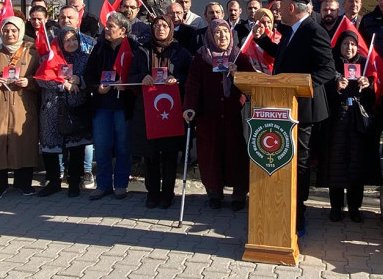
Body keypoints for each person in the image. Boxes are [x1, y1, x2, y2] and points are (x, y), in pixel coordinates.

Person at [253, 0, 335, 235]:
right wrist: (263, 41)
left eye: (280, 6)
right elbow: (285, 57)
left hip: (303, 108)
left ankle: (298, 214)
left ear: (291, 8)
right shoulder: (291, 30)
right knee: (282, 159)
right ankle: (280, 207)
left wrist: (300, 87)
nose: (276, 11)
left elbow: (327, 69)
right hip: (283, 106)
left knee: (299, 162)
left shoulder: (313, 30)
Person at [183, 19, 255, 210]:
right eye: (217, 33)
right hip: (209, 115)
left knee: (236, 154)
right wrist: (189, 107)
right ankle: (214, 192)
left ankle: (239, 194)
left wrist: (237, 73)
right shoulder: (201, 57)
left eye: (225, 32)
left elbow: (252, 83)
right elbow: (192, 85)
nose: (222, 36)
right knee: (211, 155)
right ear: (210, 35)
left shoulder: (239, 55)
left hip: (234, 115)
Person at [128, 16, 192, 209]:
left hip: (171, 111)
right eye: (156, 26)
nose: (160, 29)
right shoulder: (142, 50)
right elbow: (131, 76)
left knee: (170, 154)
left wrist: (177, 79)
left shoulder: (181, 52)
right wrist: (142, 77)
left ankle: (168, 193)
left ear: (171, 28)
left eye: (164, 26)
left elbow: (190, 76)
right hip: (148, 110)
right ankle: (153, 193)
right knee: (151, 154)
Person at [0, 17, 41, 200]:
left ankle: (24, 183)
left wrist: (29, 82)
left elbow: (43, 79)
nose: (10, 34)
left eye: (14, 30)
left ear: (21, 31)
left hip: (23, 105)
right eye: (6, 31)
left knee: (24, 143)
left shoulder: (32, 52)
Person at [83, 13, 137, 201]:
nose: (106, 29)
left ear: (123, 30)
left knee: (123, 147)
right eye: (106, 26)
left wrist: (127, 82)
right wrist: (97, 88)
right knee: (102, 146)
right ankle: (103, 184)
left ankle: (121, 184)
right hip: (102, 107)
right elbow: (88, 76)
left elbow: (140, 74)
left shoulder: (134, 48)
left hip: (124, 106)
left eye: (111, 26)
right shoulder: (99, 48)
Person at [323, 30, 375, 222]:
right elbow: (324, 91)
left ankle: (355, 207)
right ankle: (336, 206)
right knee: (336, 164)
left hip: (358, 123)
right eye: (345, 44)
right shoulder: (332, 65)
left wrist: (368, 84)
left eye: (353, 44)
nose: (349, 48)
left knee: (356, 165)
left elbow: (375, 96)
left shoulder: (366, 64)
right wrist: (336, 87)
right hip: (337, 121)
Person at [35, 27, 92, 198]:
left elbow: (92, 79)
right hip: (52, 108)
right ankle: (53, 182)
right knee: (50, 147)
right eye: (67, 40)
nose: (71, 43)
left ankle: (74, 182)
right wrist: (62, 84)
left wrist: (79, 80)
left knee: (76, 147)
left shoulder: (85, 59)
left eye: (74, 39)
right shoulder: (48, 58)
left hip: (76, 108)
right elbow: (41, 80)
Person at [247, 8, 280, 74]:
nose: (266, 25)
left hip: (277, 78)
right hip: (257, 78)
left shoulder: (280, 38)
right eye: (262, 22)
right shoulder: (249, 41)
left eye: (269, 22)